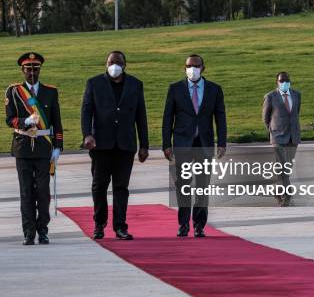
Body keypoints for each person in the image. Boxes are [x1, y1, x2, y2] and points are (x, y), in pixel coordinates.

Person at [81, 51, 149, 241]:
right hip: (100, 144)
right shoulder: (94, 83)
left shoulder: (135, 84)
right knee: (99, 186)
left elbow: (140, 116)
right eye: (111, 62)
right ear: (106, 63)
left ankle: (120, 226)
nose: (114, 65)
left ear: (125, 65)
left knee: (121, 187)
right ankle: (99, 223)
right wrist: (87, 135)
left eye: (118, 62)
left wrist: (144, 145)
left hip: (125, 145)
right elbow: (86, 111)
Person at [162, 54, 226, 238]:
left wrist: (221, 142)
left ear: (203, 68)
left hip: (204, 143)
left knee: (202, 185)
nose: (193, 69)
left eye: (196, 66)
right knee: (182, 184)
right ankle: (183, 224)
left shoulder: (214, 89)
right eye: (189, 66)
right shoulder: (175, 89)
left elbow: (220, 117)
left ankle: (199, 225)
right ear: (185, 68)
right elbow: (168, 118)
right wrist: (166, 144)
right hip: (182, 143)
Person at [5, 52, 63, 245]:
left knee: (43, 192)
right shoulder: (13, 92)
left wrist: (58, 147)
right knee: (26, 192)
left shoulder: (50, 91)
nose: (32, 73)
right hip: (23, 147)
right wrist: (24, 121)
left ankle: (43, 230)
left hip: (44, 147)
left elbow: (56, 121)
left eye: (35, 69)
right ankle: (29, 232)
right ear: (22, 70)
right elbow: (9, 119)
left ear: (40, 70)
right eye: (28, 69)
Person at [262, 72, 301, 207]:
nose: (284, 82)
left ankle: (277, 190)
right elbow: (266, 118)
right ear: (277, 82)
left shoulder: (296, 95)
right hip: (278, 137)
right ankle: (287, 195)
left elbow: (296, 113)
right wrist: (274, 131)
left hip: (293, 136)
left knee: (286, 168)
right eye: (281, 80)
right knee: (283, 167)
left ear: (290, 81)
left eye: (286, 80)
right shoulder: (270, 96)